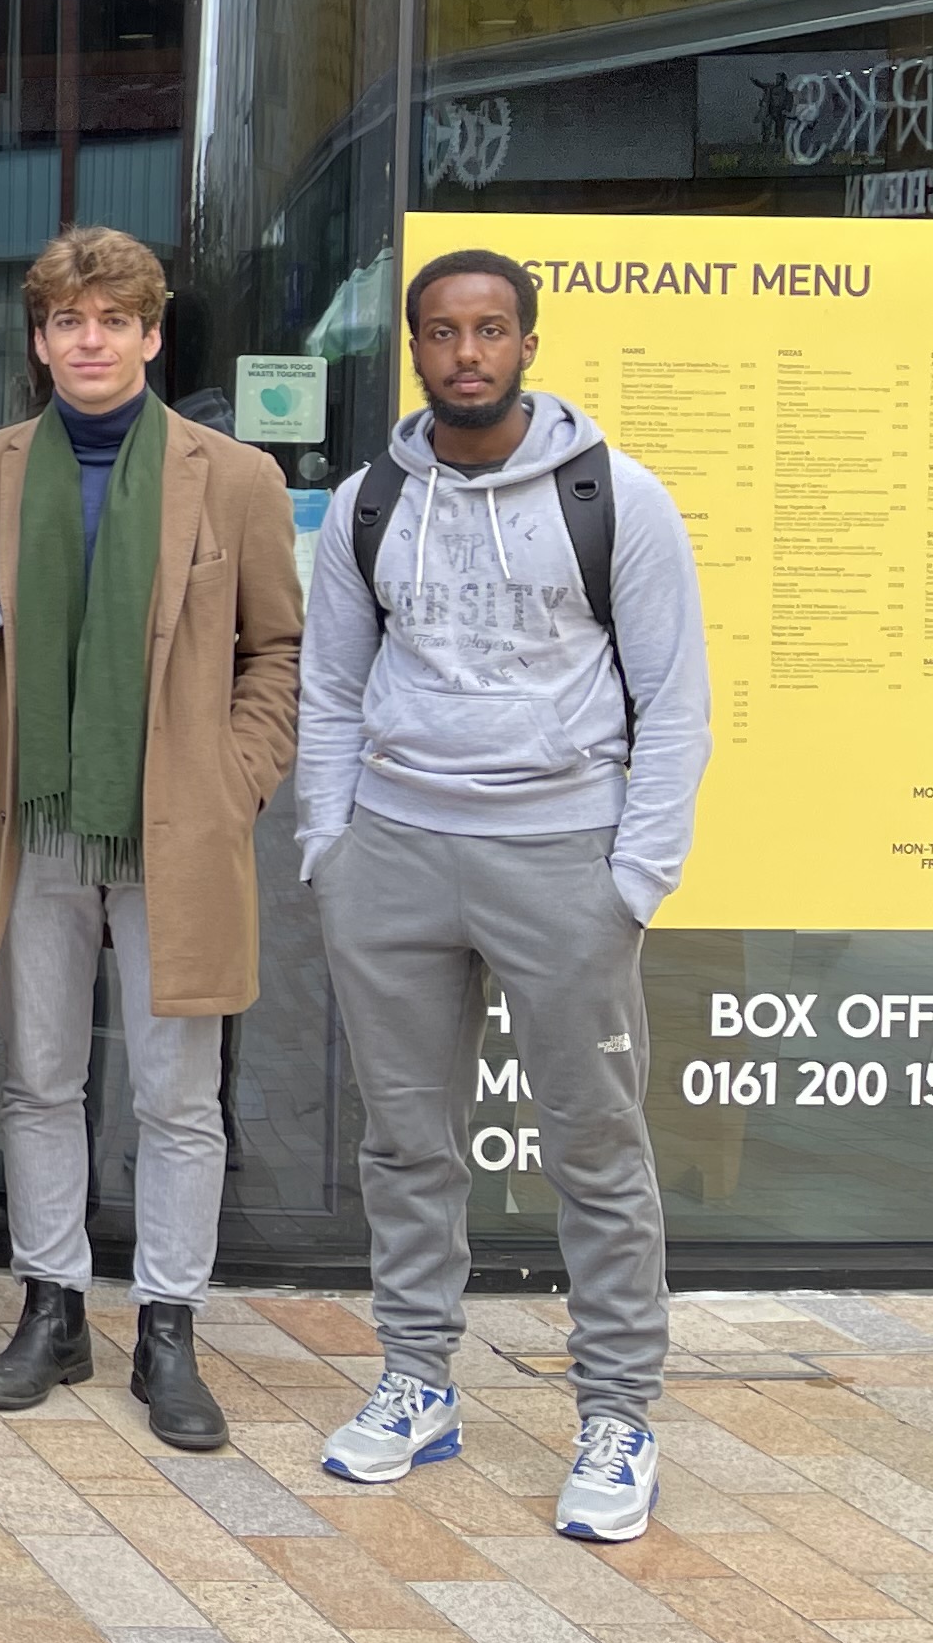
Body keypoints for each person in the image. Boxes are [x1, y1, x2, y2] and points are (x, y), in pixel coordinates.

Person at [298, 248, 708, 1546]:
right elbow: (332, 694)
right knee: (408, 1145)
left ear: (527, 343)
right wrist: (331, 847)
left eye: (489, 331)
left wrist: (630, 884)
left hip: (561, 860)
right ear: (412, 349)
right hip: (396, 855)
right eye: (441, 332)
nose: (465, 352)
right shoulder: (372, 502)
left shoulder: (615, 499)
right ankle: (418, 1381)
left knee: (594, 1147)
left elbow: (677, 703)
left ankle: (619, 1413)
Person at [0, 229, 303, 1455]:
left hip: (177, 834)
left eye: (113, 320)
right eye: (65, 322)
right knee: (38, 1077)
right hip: (30, 825)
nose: (88, 341)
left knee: (175, 1094)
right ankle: (52, 1309)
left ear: (152, 336)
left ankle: (167, 1327)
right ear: (39, 344)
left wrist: (232, 780)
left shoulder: (234, 477)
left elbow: (279, 653)